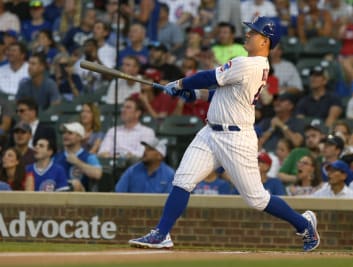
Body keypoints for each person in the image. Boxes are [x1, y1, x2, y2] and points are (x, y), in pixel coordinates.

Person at [129, 16, 320, 252]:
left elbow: (209, 77)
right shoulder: (253, 66)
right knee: (183, 180)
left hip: (236, 138)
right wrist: (194, 95)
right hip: (210, 133)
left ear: (266, 41)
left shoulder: (249, 64)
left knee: (257, 199)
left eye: (254, 32)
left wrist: (180, 84)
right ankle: (162, 233)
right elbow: (223, 94)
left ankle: (304, 224)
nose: (248, 34)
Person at [55, 122, 102, 192]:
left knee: (75, 184)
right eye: (64, 133)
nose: (65, 135)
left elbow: (98, 174)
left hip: (81, 198)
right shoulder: (56, 157)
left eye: (70, 133)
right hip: (58, 193)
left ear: (79, 137)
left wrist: (77, 162)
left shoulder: (89, 157)